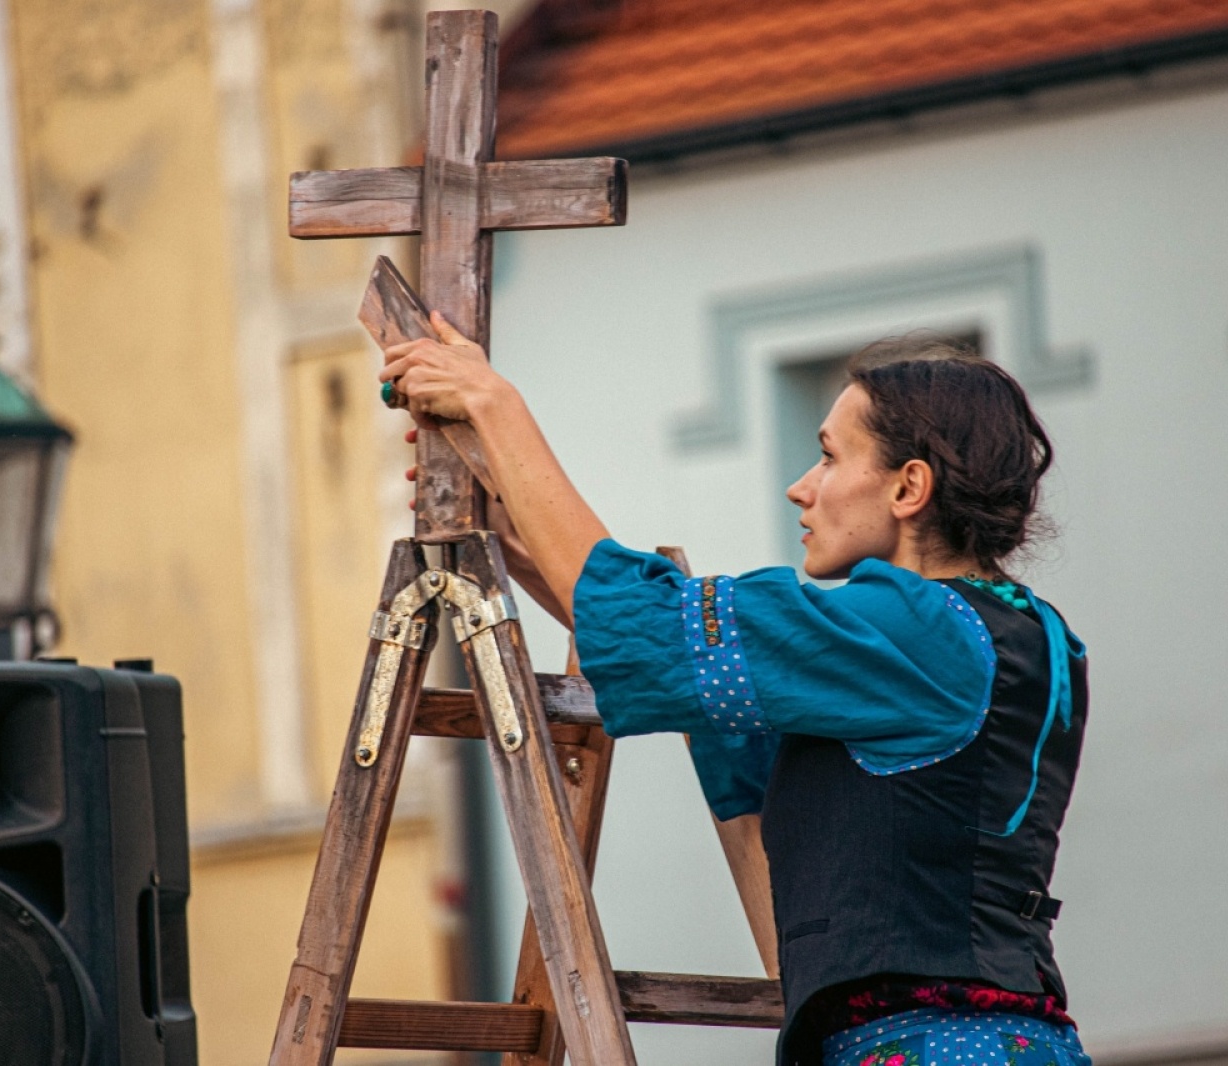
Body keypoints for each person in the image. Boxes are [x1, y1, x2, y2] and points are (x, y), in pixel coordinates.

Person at [381, 318, 1090, 1066]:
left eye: (828, 457)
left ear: (910, 487)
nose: (802, 487)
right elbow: (683, 660)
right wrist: (522, 538)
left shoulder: (915, 631)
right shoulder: (1006, 630)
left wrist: (495, 405)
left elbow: (657, 631)